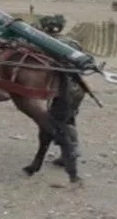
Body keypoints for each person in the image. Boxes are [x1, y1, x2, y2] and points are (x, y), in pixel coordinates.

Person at [37, 14, 86, 168]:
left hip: (60, 88)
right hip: (77, 88)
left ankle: (71, 150)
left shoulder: (43, 43)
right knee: (68, 117)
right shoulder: (73, 43)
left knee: (58, 120)